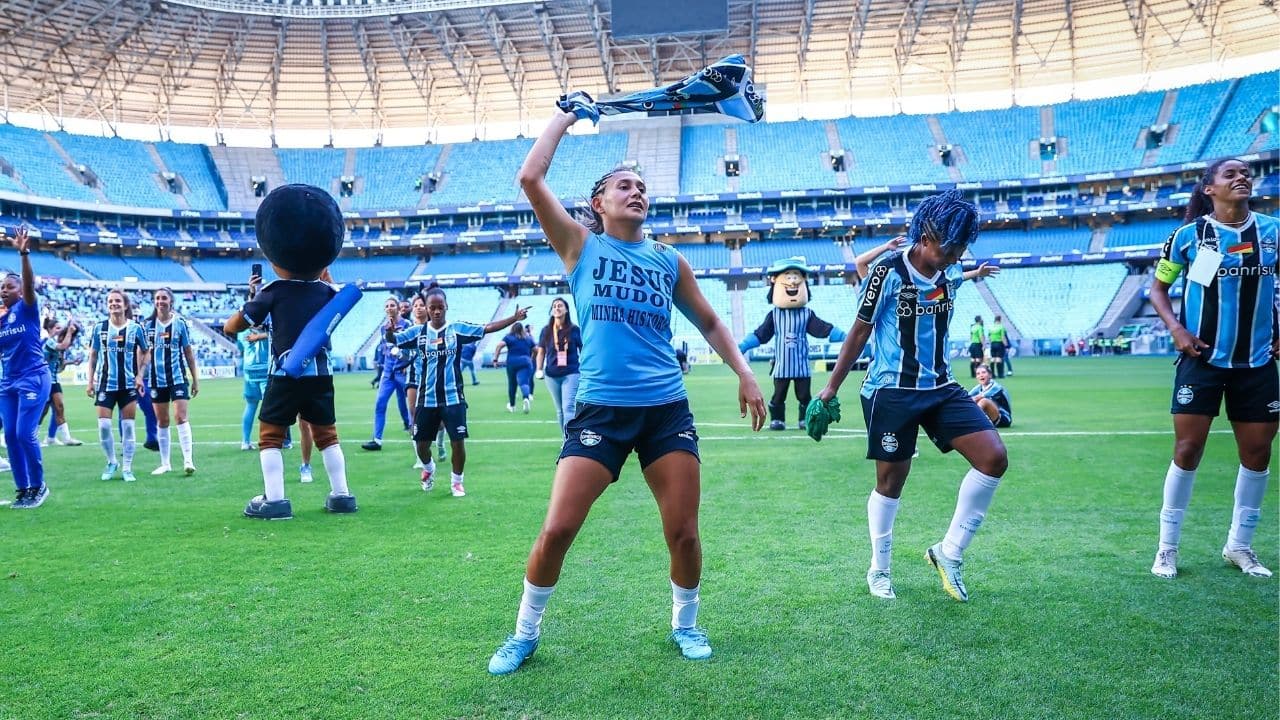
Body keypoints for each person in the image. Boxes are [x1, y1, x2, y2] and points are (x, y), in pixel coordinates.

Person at [487, 102, 766, 676]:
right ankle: (523, 633)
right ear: (599, 203)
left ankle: (685, 624)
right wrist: (566, 117)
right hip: (601, 411)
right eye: (623, 185)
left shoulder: (669, 260)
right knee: (558, 528)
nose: (636, 191)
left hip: (666, 410)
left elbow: (711, 323)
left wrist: (743, 371)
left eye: (641, 186)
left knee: (683, 533)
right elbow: (530, 178)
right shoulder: (580, 247)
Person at [811, 190, 1008, 604]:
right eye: (949, 244)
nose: (956, 253)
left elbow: (958, 275)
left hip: (941, 387)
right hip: (891, 391)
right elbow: (860, 331)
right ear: (927, 233)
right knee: (891, 482)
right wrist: (830, 388)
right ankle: (879, 570)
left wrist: (974, 271)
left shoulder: (949, 271)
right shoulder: (887, 272)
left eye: (962, 246)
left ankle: (948, 553)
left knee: (993, 458)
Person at [1147, 157, 1278, 579]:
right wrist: (1176, 329)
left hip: (1257, 362)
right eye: (1230, 174)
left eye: (1246, 173)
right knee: (1187, 451)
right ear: (1210, 189)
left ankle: (1240, 547)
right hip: (1201, 359)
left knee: (1257, 454)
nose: (1242, 177)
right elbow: (1158, 289)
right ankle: (1167, 549)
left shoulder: (1273, 232)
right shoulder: (1187, 237)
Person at [223, 184, 357, 520]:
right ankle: (341, 494)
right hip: (320, 374)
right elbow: (334, 297)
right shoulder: (328, 291)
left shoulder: (273, 291)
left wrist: (244, 307)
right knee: (327, 433)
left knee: (270, 434)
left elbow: (235, 325)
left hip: (284, 373)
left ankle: (275, 500)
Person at [388, 285, 526, 497]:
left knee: (457, 441)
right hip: (426, 399)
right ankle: (428, 468)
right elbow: (393, 340)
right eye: (432, 307)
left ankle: (457, 482)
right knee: (421, 445)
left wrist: (514, 318)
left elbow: (487, 328)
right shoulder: (418, 333)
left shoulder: (457, 329)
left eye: (440, 307)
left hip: (453, 397)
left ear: (446, 307)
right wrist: (389, 330)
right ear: (426, 308)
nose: (436, 311)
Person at [1, 227, 54, 508]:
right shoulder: (2, 320)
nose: (4, 291)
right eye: (2, 288)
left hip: (34, 376)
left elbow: (30, 283)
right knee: (10, 435)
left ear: (21, 291)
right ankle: (23, 489)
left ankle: (39, 485)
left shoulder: (28, 308)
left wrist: (23, 253)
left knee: (24, 433)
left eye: (9, 286)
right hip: (8, 382)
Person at [87, 288, 149, 483]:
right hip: (106, 384)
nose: (114, 304)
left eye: (117, 301)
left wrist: (140, 375)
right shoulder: (99, 328)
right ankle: (112, 461)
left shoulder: (136, 328)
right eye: (111, 301)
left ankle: (128, 467)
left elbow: (146, 351)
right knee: (104, 426)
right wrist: (90, 381)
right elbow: (93, 356)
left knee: (128, 428)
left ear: (125, 305)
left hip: (128, 384)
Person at [141, 288, 199, 476]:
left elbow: (188, 353)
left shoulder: (180, 324)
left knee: (181, 417)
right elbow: (144, 353)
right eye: (157, 298)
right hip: (157, 380)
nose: (160, 301)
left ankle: (188, 460)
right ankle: (165, 463)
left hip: (177, 378)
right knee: (162, 420)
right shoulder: (148, 325)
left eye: (163, 298)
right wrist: (140, 375)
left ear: (171, 301)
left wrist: (195, 379)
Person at [362, 297, 413, 451]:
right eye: (387, 306)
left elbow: (411, 346)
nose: (389, 308)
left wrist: (406, 361)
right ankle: (377, 440)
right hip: (388, 372)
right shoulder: (384, 328)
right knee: (380, 403)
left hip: (403, 370)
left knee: (410, 405)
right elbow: (386, 348)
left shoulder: (407, 325)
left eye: (392, 305)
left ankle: (416, 435)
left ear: (398, 308)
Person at [534, 297, 582, 434]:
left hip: (571, 373)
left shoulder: (574, 330)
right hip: (551, 375)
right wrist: (538, 369)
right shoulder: (546, 330)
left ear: (566, 310)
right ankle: (565, 439)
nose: (557, 308)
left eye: (560, 305)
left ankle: (569, 442)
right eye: (554, 306)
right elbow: (541, 351)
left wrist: (586, 368)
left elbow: (583, 350)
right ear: (551, 311)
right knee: (560, 410)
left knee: (568, 408)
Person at [40, 316, 84, 447]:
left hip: (53, 380)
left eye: (61, 328)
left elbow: (59, 368)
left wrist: (71, 362)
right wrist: (69, 332)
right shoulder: (48, 342)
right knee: (43, 411)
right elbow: (63, 345)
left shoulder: (54, 343)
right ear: (50, 329)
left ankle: (66, 438)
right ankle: (33, 437)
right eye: (57, 328)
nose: (60, 331)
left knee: (59, 407)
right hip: (43, 380)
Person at [238, 323, 271, 450]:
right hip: (265, 370)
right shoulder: (268, 331)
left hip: (249, 371)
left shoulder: (242, 331)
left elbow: (240, 346)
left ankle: (245, 442)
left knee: (251, 405)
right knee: (271, 406)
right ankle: (269, 439)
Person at [494, 322, 536, 413]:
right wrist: (531, 358)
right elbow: (536, 349)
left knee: (512, 384)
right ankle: (526, 398)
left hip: (512, 362)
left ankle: (512, 406)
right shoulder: (528, 338)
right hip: (526, 362)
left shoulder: (509, 337)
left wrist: (495, 359)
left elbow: (499, 345)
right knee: (524, 382)